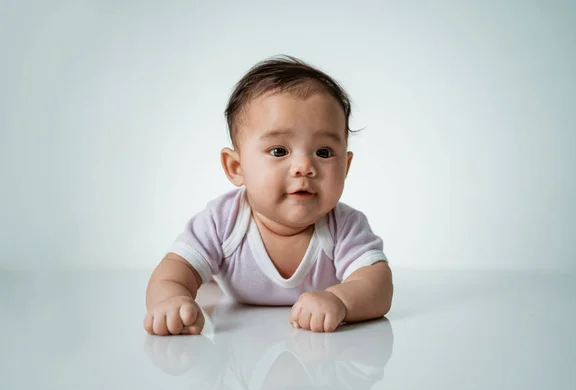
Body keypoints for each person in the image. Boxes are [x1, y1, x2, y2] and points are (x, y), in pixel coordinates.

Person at [144, 55, 393, 335]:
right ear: (236, 167)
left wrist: (340, 300)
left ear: (345, 167)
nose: (304, 167)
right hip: (237, 341)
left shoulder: (344, 226)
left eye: (323, 152)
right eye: (279, 151)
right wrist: (171, 301)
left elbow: (378, 284)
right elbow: (174, 270)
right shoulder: (222, 221)